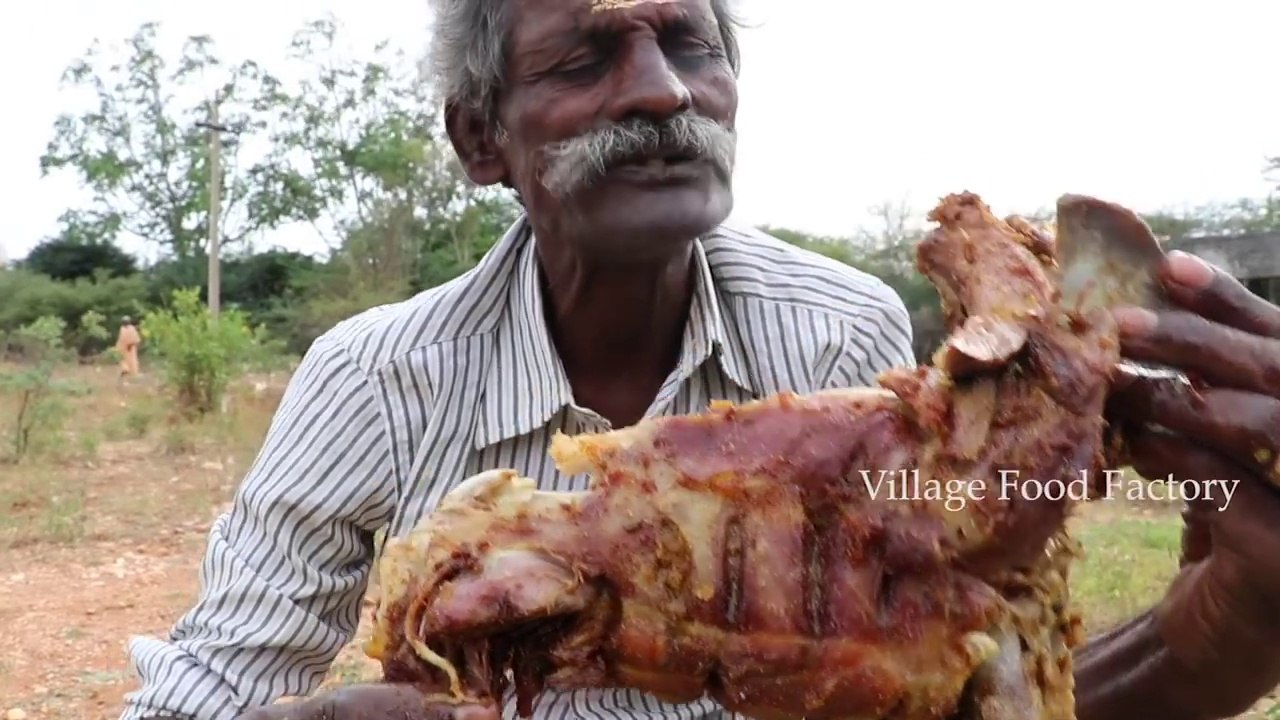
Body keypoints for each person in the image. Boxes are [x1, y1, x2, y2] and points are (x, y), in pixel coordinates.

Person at [117, 0, 1280, 719]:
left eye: (688, 42)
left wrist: (1216, 631)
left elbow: (955, 680)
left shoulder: (840, 330)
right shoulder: (371, 377)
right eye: (585, 56)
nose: (663, 90)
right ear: (481, 138)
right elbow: (203, 693)